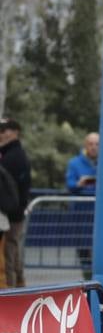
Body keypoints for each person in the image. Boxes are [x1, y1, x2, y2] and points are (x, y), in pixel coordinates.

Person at [0, 118, 33, 288]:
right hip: (14, 213)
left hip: (11, 214)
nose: (2, 133)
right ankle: (19, 287)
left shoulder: (14, 156)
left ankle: (11, 292)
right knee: (14, 252)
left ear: (15, 132)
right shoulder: (12, 154)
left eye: (5, 130)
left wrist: (16, 208)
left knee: (9, 254)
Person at [66, 131, 98, 277]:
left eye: (97, 144)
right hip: (81, 214)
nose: (94, 147)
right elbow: (69, 184)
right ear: (86, 145)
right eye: (91, 144)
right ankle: (87, 279)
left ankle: (95, 278)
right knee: (84, 250)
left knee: (98, 249)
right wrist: (79, 183)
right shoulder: (74, 163)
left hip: (99, 214)